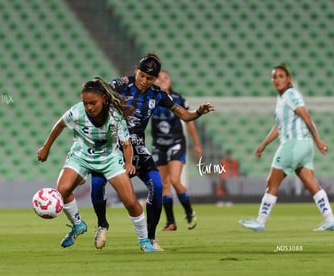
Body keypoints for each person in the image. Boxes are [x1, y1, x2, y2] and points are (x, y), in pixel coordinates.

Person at [90, 53, 215, 251]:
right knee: (96, 184)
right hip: (112, 144)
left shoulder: (157, 94)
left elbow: (183, 114)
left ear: (155, 79)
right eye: (141, 76)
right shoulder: (122, 84)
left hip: (137, 146)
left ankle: (150, 238)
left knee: (157, 186)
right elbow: (97, 90)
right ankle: (102, 224)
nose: (144, 81)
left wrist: (198, 112)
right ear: (136, 71)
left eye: (149, 78)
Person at [37, 77, 156, 252]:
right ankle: (78, 225)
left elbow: (126, 144)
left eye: (93, 103)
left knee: (130, 202)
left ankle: (144, 240)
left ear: (104, 99)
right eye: (85, 103)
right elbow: (59, 125)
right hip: (81, 156)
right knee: (62, 190)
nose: (89, 107)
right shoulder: (77, 112)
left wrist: (129, 163)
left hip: (110, 159)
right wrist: (46, 148)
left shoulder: (115, 116)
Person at [239, 63, 334, 231]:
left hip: (293, 144)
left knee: (272, 182)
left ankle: (260, 222)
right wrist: (264, 144)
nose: (277, 79)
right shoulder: (282, 99)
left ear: (288, 79)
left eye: (281, 76)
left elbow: (306, 117)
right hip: (304, 146)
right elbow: (279, 126)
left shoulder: (291, 94)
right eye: (274, 76)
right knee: (312, 184)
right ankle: (330, 220)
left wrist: (318, 140)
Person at [151, 69, 202, 231]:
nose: (163, 80)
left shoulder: (179, 99)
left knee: (174, 180)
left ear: (170, 81)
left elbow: (189, 121)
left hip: (176, 143)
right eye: (159, 78)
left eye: (166, 78)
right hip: (159, 145)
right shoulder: (150, 98)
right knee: (163, 184)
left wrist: (197, 144)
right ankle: (171, 222)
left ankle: (189, 212)